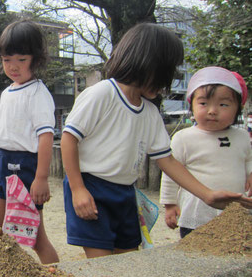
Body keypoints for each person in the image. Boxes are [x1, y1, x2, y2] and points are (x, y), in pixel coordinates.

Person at [60, 23, 252, 259]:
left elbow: (167, 160)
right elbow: (69, 139)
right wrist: (78, 189)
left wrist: (207, 195)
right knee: (102, 264)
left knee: (128, 260)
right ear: (148, 64)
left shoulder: (149, 112)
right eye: (167, 70)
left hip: (125, 192)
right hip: (92, 187)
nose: (168, 79)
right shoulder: (102, 93)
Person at [0, 20, 59, 264]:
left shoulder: (38, 93)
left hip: (25, 166)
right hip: (3, 162)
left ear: (35, 59)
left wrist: (41, 178)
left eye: (21, 59)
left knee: (35, 236)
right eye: (7, 60)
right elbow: (10, 133)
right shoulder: (7, 92)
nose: (13, 66)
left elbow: (45, 137)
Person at [160, 66, 252, 238]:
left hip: (235, 214)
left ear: (237, 108)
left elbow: (248, 159)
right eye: (203, 103)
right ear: (191, 104)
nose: (212, 111)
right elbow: (171, 173)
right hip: (196, 213)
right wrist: (170, 204)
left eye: (223, 104)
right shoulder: (183, 138)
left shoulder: (241, 136)